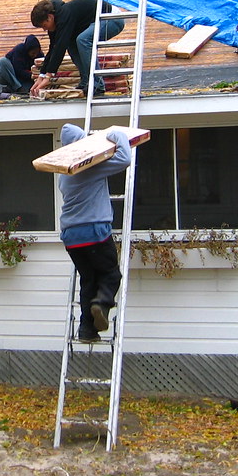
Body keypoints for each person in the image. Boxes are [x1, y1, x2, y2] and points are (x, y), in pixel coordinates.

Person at [58, 123, 131, 341]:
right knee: (110, 274)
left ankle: (87, 330)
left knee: (89, 280)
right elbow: (125, 158)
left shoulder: (65, 173)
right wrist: (114, 134)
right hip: (94, 230)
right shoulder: (91, 167)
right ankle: (102, 304)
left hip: (71, 237)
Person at [30, 0, 125, 96]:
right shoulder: (56, 21)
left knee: (83, 40)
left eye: (44, 25)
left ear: (50, 17)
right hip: (97, 21)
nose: (44, 29)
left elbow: (60, 48)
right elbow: (53, 49)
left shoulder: (65, 15)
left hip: (112, 19)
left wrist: (49, 76)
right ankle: (85, 81)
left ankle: (97, 84)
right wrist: (41, 75)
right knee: (71, 44)